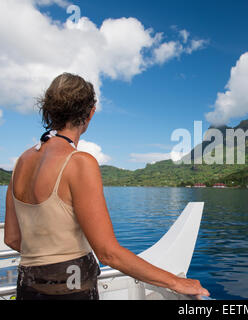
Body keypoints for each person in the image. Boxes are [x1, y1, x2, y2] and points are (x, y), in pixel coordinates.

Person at [3, 73, 209, 300]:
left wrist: (45, 267)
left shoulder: (21, 162)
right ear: (90, 113)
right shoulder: (79, 162)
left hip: (27, 288)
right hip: (71, 292)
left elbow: (11, 238)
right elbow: (108, 253)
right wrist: (177, 282)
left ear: (49, 110)